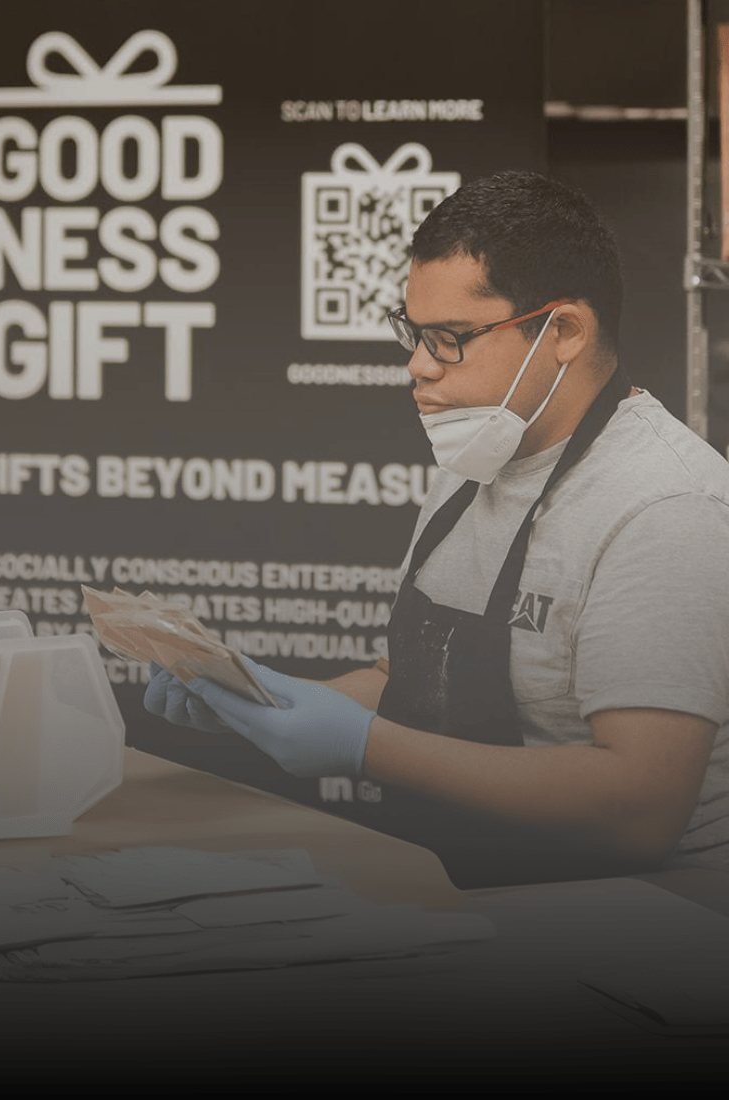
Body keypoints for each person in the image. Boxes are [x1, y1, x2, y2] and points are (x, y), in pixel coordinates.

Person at [145, 170, 729, 886]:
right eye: (414, 335)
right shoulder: (475, 456)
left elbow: (640, 810)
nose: (417, 367)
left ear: (565, 331)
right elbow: (419, 681)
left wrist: (364, 747)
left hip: (640, 931)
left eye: (451, 338)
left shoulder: (663, 506)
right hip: (469, 886)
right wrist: (263, 699)